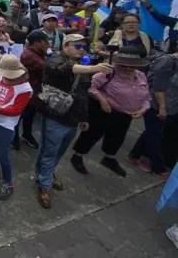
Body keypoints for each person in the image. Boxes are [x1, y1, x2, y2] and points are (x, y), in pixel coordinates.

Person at [34, 34, 113, 209]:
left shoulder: (84, 67)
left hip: (72, 119)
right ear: (66, 46)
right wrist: (95, 68)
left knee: (59, 151)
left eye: (84, 46)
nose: (82, 49)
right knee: (49, 151)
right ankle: (44, 185)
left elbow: (83, 95)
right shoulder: (54, 60)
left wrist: (84, 118)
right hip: (54, 116)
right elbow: (65, 69)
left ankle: (46, 174)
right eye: (77, 46)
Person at [70, 47, 150, 177]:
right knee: (92, 134)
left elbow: (146, 96)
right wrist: (102, 99)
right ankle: (78, 156)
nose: (128, 68)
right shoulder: (107, 73)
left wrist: (143, 108)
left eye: (132, 65)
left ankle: (109, 158)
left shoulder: (141, 76)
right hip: (105, 112)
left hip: (126, 115)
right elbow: (89, 86)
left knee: (117, 138)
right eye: (125, 65)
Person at [0, 54, 32, 200]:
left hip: (5, 124)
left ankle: (8, 183)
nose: (5, 77)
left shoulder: (25, 88)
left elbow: (16, 110)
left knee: (3, 154)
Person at [129, 50, 178, 178]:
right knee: (155, 136)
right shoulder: (167, 61)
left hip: (170, 106)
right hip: (155, 105)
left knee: (153, 131)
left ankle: (135, 154)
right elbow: (158, 87)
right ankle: (158, 167)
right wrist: (162, 108)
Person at [18, 30, 50, 149]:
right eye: (45, 42)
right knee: (23, 115)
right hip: (27, 92)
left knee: (29, 115)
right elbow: (48, 67)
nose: (48, 45)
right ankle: (18, 137)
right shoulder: (29, 55)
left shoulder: (37, 53)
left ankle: (25, 135)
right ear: (37, 42)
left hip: (34, 91)